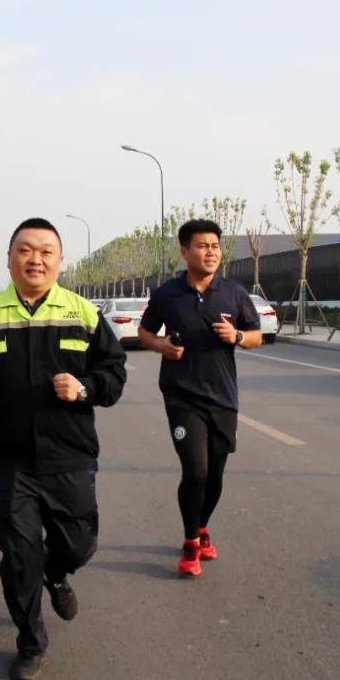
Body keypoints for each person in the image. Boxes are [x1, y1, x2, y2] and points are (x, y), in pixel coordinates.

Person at [0, 217, 127, 680]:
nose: (35, 259)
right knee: (19, 555)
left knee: (80, 543)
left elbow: (114, 374)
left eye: (45, 251)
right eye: (25, 250)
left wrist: (85, 387)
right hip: (8, 459)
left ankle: (56, 573)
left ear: (60, 261)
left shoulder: (83, 313)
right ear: (10, 258)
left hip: (69, 454)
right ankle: (30, 642)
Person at [137, 219, 262, 577]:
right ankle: (191, 541)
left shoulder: (234, 293)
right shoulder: (167, 294)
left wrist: (237, 336)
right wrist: (161, 345)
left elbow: (256, 335)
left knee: (215, 475)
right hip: (181, 394)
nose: (211, 252)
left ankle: (202, 526)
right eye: (203, 246)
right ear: (184, 251)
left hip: (223, 397)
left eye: (215, 246)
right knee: (196, 470)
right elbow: (145, 331)